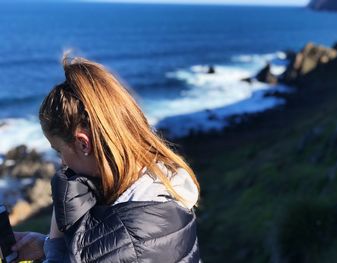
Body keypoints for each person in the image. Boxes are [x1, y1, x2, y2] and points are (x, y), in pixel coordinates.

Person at [11, 55, 200, 262]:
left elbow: (120, 249)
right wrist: (46, 245)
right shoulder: (159, 186)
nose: (62, 164)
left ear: (84, 144)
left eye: (58, 151)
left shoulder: (129, 239)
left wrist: (55, 242)